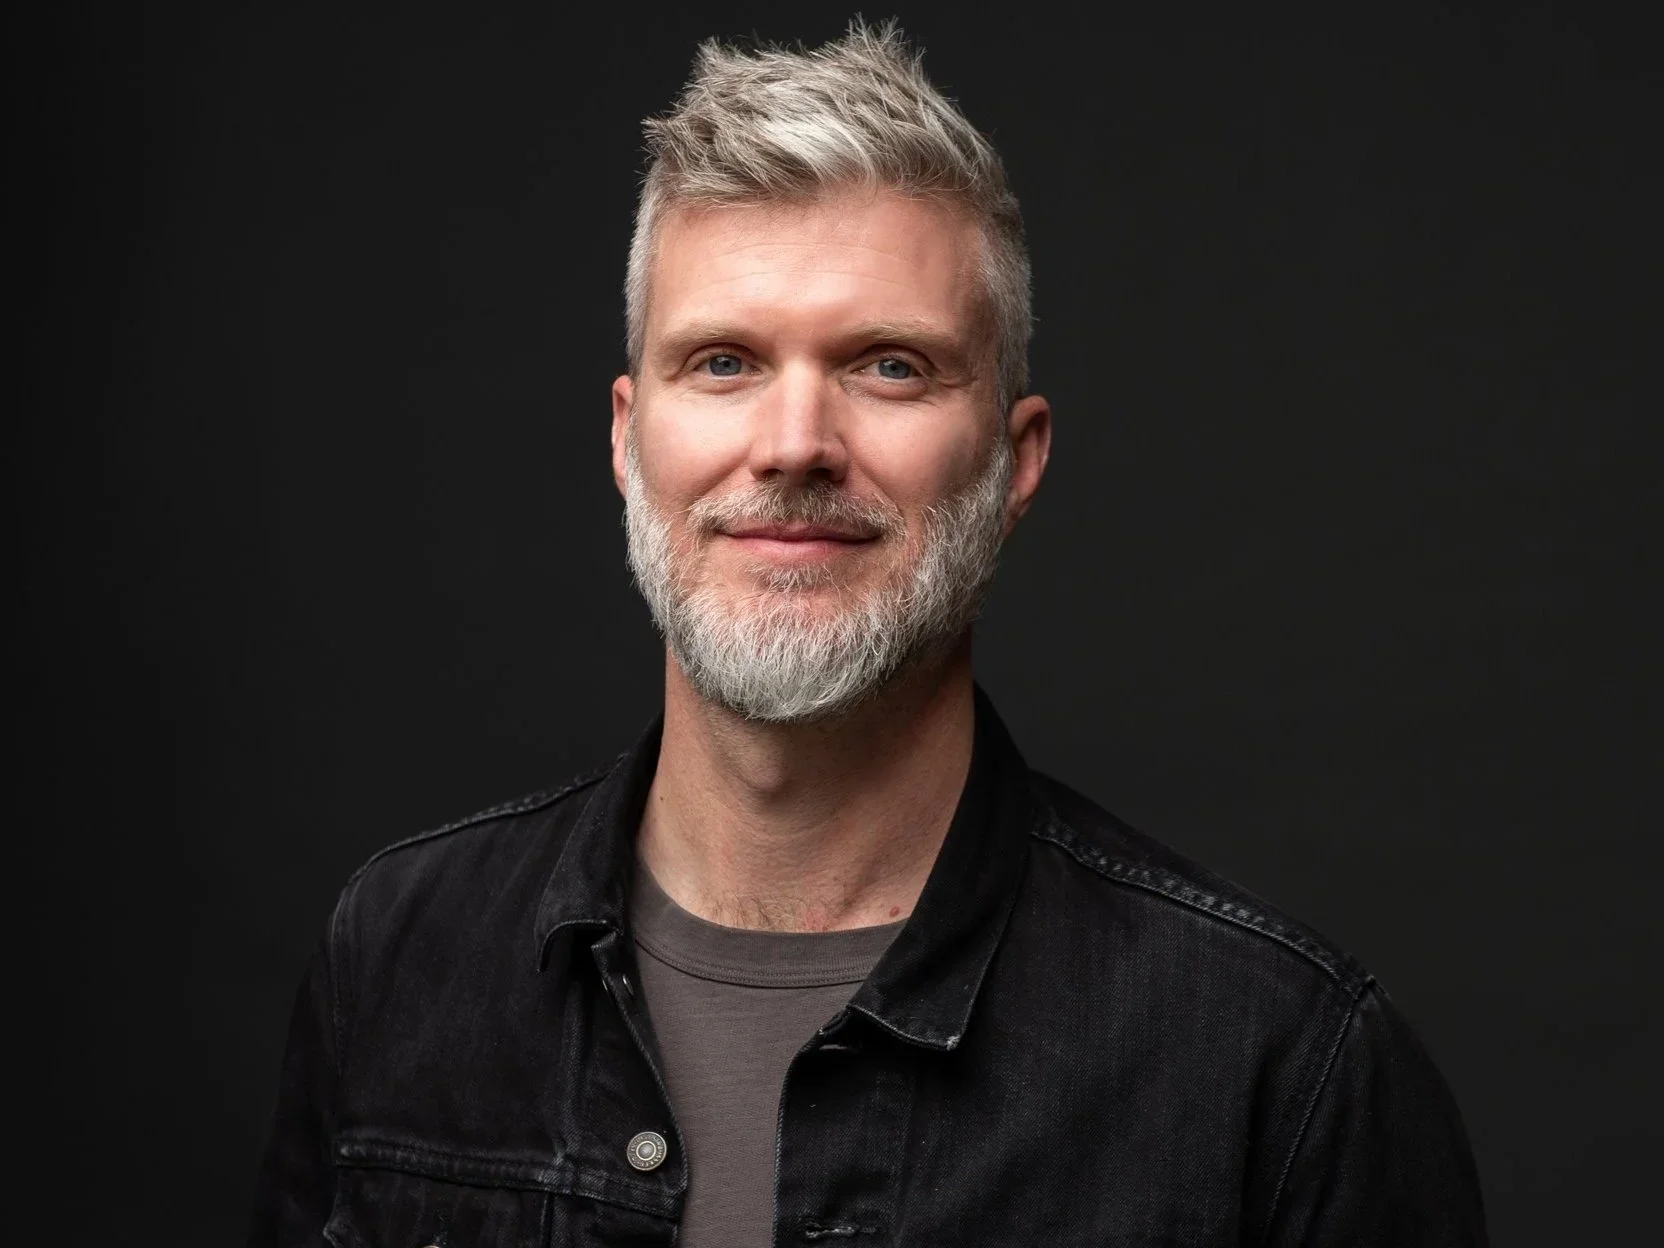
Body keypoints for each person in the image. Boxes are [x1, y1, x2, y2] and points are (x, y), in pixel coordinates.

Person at [250, 20, 1487, 1247]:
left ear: (1013, 462)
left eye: (888, 366)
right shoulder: (401, 956)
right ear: (627, 439)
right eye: (722, 362)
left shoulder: (1275, 1065)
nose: (794, 444)